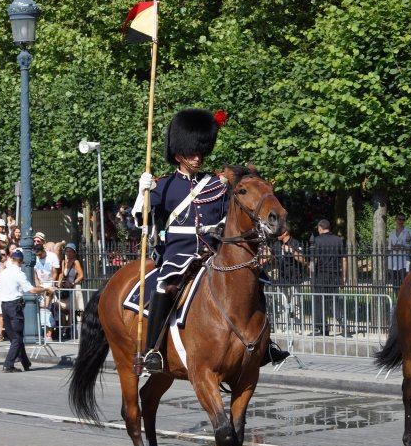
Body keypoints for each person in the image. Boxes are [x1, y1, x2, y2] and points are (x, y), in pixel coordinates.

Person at [133, 108, 289, 373]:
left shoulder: (216, 183)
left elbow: (235, 211)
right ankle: (153, 351)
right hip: (179, 252)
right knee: (165, 287)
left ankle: (264, 342)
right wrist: (142, 192)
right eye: (192, 153)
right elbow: (141, 221)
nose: (197, 158)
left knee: (255, 280)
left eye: (200, 153)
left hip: (214, 249)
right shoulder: (164, 185)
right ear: (178, 153)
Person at [0, 249, 50, 372]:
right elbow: (31, 290)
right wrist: (46, 289)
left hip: (4, 305)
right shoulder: (19, 274)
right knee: (17, 338)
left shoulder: (4, 272)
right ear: (21, 262)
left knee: (14, 337)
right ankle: (8, 364)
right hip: (14, 306)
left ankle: (25, 362)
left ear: (11, 258)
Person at [310, 219, 347, 336]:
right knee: (334, 301)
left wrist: (311, 275)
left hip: (321, 274)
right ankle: (343, 325)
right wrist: (343, 277)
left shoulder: (316, 241)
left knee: (320, 301)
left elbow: (313, 260)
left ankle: (322, 328)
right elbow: (344, 259)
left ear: (320, 228)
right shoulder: (338, 240)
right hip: (335, 274)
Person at [387, 213, 411, 295]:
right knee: (395, 285)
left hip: (404, 262)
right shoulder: (392, 233)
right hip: (393, 262)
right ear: (396, 220)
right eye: (399, 219)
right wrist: (394, 248)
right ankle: (398, 302)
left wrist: (403, 247)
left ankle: (405, 301)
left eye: (403, 220)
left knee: (405, 284)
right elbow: (389, 248)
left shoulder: (409, 232)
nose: (401, 221)